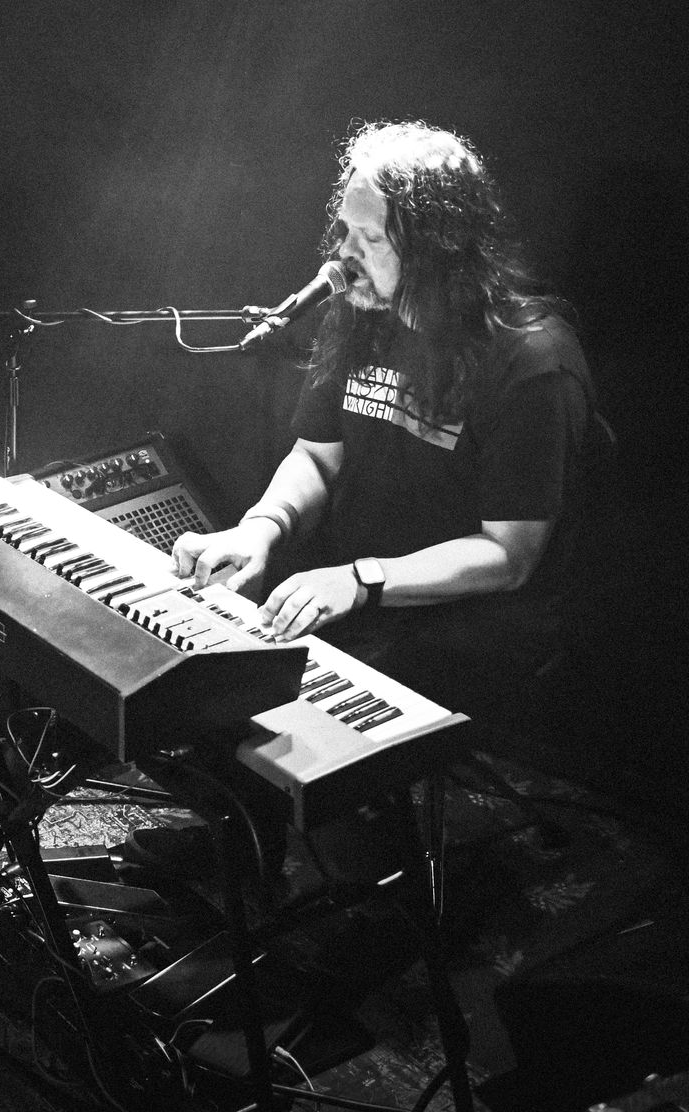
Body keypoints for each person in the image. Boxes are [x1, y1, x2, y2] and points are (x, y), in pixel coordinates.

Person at [172, 119, 598, 719]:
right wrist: (260, 529)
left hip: (465, 632)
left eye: (369, 237)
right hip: (356, 595)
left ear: (436, 249)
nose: (344, 254)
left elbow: (510, 555)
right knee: (200, 685)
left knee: (279, 724)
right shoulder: (362, 314)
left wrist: (361, 580)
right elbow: (317, 456)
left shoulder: (531, 359)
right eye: (345, 229)